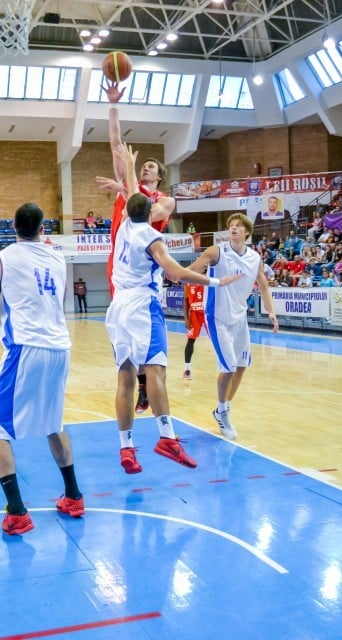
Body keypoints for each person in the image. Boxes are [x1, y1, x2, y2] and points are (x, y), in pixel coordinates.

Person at [106, 147, 241, 474]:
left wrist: (130, 166)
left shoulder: (124, 227)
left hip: (118, 308)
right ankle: (166, 437)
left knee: (125, 379)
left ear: (127, 210)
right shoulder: (152, 238)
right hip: (142, 306)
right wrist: (214, 281)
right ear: (151, 210)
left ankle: (126, 447)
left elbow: (133, 196)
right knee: (156, 372)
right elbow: (175, 274)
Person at [0, 202, 84, 535]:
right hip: (60, 347)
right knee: (53, 421)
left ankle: (17, 512)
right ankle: (74, 497)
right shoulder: (57, 256)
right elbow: (60, 299)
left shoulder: (3, 258)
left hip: (26, 348)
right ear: (43, 229)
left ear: (13, 227)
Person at [97, 79, 176, 417]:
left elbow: (142, 211)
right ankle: (141, 386)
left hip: (146, 271)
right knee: (126, 336)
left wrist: (126, 185)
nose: (145, 168)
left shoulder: (166, 200)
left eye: (151, 168)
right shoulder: (126, 186)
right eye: (143, 166)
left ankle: (148, 387)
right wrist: (113, 105)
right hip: (119, 266)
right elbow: (116, 144)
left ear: (159, 177)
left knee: (145, 333)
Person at [188, 213, 279, 441]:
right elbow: (192, 271)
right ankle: (223, 412)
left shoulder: (254, 257)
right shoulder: (217, 252)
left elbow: (264, 285)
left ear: (247, 233)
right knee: (227, 368)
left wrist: (271, 312)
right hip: (217, 317)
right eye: (231, 226)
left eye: (238, 226)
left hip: (239, 319)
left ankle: (222, 409)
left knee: (241, 366)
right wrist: (190, 273)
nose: (234, 229)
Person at [182, 282, 205, 380]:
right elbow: (186, 300)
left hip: (207, 312)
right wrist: (186, 318)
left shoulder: (209, 276)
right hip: (194, 314)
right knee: (191, 340)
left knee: (219, 339)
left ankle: (224, 367)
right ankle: (187, 369)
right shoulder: (188, 282)